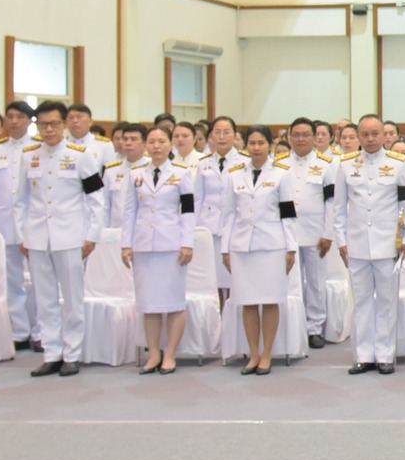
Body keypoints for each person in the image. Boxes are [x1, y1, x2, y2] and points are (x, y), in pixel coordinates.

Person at [17, 100, 105, 377]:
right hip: (38, 237)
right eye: (43, 124)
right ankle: (52, 353)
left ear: (64, 124)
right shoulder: (28, 155)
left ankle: (73, 353)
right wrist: (22, 235)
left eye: (54, 124)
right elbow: (20, 201)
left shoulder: (80, 155)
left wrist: (91, 235)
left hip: (71, 237)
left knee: (72, 298)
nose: (49, 129)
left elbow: (96, 199)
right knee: (45, 300)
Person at [333, 114, 405, 375]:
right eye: (365, 134)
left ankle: (385, 355)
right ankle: (364, 355)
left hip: (388, 244)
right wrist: (341, 240)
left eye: (375, 133)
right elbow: (339, 209)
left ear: (384, 135)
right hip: (356, 244)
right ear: (358, 136)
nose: (370, 139)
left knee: (387, 301)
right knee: (362, 302)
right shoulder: (345, 165)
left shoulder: (398, 163)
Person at [219, 126, 298, 376]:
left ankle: (267, 354)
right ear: (246, 145)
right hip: (242, 247)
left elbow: (288, 214)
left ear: (269, 145)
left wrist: (291, 248)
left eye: (261, 143)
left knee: (271, 300)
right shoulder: (234, 175)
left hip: (272, 245)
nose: (256, 148)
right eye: (251, 143)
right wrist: (225, 248)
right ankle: (253, 353)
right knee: (248, 302)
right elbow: (229, 214)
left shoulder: (282, 173)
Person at [120, 125, 197, 374]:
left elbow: (188, 211)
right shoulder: (135, 175)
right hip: (144, 246)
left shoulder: (182, 174)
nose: (156, 146)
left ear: (170, 144)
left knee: (173, 302)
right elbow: (129, 211)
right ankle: (153, 353)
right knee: (148, 303)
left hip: (171, 245)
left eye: (161, 141)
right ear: (145, 146)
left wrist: (187, 243)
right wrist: (126, 244)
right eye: (151, 142)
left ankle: (170, 353)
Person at [0, 100, 38, 353]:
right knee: (12, 281)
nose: (14, 121)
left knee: (39, 281)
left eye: (20, 117)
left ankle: (40, 331)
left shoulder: (38, 148)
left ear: (29, 121)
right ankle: (19, 331)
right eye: (10, 116)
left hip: (33, 225)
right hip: (4, 225)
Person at [285, 117, 340, 348]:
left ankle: (314, 327)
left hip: (316, 233)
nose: (300, 139)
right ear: (288, 137)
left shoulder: (326, 164)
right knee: (290, 282)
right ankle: (292, 326)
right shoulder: (280, 164)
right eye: (295, 135)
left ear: (315, 137)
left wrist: (328, 233)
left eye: (305, 134)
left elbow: (332, 202)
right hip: (288, 233)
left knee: (316, 281)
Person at [198, 116, 247, 304]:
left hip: (234, 227)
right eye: (217, 132)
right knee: (214, 281)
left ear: (235, 135)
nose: (222, 136)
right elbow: (198, 198)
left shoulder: (244, 161)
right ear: (211, 136)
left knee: (234, 280)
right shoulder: (204, 163)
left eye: (226, 132)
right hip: (209, 227)